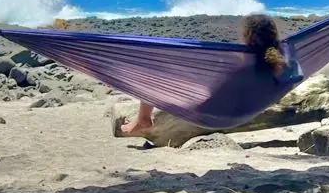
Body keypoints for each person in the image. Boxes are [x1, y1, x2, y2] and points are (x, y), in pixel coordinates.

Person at [118, 13, 288, 137]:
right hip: (247, 113)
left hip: (209, 115)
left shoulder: (237, 64)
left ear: (247, 37)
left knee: (152, 70)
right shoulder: (284, 62)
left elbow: (217, 93)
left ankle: (143, 119)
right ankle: (143, 119)